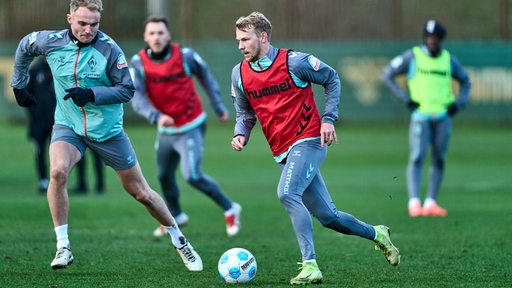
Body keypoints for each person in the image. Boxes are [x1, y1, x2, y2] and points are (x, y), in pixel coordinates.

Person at [10, 0, 202, 272]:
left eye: (94, 24)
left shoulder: (110, 50)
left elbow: (127, 89)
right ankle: (63, 247)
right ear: (69, 19)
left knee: (142, 193)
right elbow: (24, 46)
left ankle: (180, 240)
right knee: (58, 173)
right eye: (82, 23)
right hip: (69, 126)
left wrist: (92, 94)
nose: (88, 29)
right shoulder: (49, 41)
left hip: (107, 132)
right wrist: (19, 85)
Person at [230, 12, 400, 285]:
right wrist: (241, 134)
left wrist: (328, 119)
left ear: (263, 36)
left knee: (286, 193)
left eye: (245, 39)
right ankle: (377, 234)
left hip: (309, 139)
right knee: (329, 217)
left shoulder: (294, 62)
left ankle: (310, 265)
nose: (240, 45)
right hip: (282, 151)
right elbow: (245, 113)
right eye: (238, 40)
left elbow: (332, 78)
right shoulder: (239, 73)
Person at [130, 16, 242, 238]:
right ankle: (176, 215)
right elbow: (137, 97)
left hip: (191, 125)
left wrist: (218, 106)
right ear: (145, 37)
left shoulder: (185, 55)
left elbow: (207, 78)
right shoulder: (138, 63)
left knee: (192, 175)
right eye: (151, 33)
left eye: (161, 32)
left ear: (168, 35)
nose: (156, 37)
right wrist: (156, 116)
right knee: (163, 175)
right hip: (165, 129)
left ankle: (230, 208)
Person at [381, 20, 471, 217]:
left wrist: (459, 103)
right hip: (420, 116)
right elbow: (387, 74)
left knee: (439, 158)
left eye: (435, 37)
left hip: (442, 116)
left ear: (440, 39)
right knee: (417, 156)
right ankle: (414, 202)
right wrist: (404, 98)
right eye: (428, 37)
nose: (431, 41)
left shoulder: (448, 59)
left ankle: (431, 202)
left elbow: (465, 81)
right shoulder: (413, 56)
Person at [25, 56, 56, 194]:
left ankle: (55, 181)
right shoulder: (35, 69)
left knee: (56, 154)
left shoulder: (59, 68)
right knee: (39, 152)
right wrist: (34, 113)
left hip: (56, 123)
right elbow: (27, 93)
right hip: (38, 123)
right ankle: (43, 181)